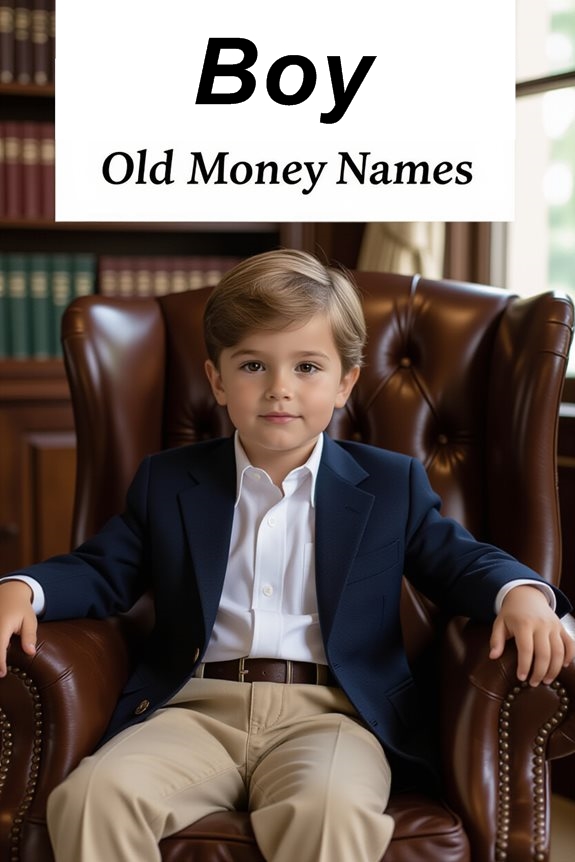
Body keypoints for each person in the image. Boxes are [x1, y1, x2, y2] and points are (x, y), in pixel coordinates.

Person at [0, 249, 573, 862]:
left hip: (330, 717)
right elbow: (102, 569)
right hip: (193, 711)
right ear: (217, 380)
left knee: (329, 816)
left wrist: (519, 592)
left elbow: (460, 561)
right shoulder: (169, 482)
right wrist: (21, 588)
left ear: (345, 383)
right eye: (252, 365)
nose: (280, 389)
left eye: (307, 366)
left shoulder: (389, 486)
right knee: (90, 798)